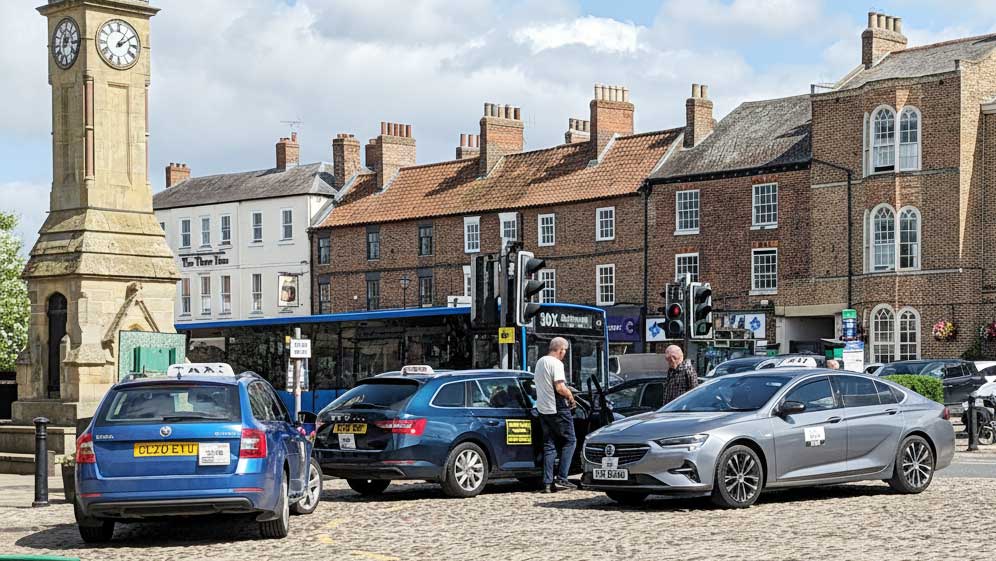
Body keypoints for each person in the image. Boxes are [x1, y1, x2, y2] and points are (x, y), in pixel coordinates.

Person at [533, 337, 576, 493]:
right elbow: (559, 387)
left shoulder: (539, 362)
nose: (564, 354)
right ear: (561, 350)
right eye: (565, 351)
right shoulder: (556, 363)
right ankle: (563, 478)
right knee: (570, 440)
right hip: (557, 407)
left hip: (543, 408)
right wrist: (570, 396)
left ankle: (547, 483)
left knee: (549, 445)